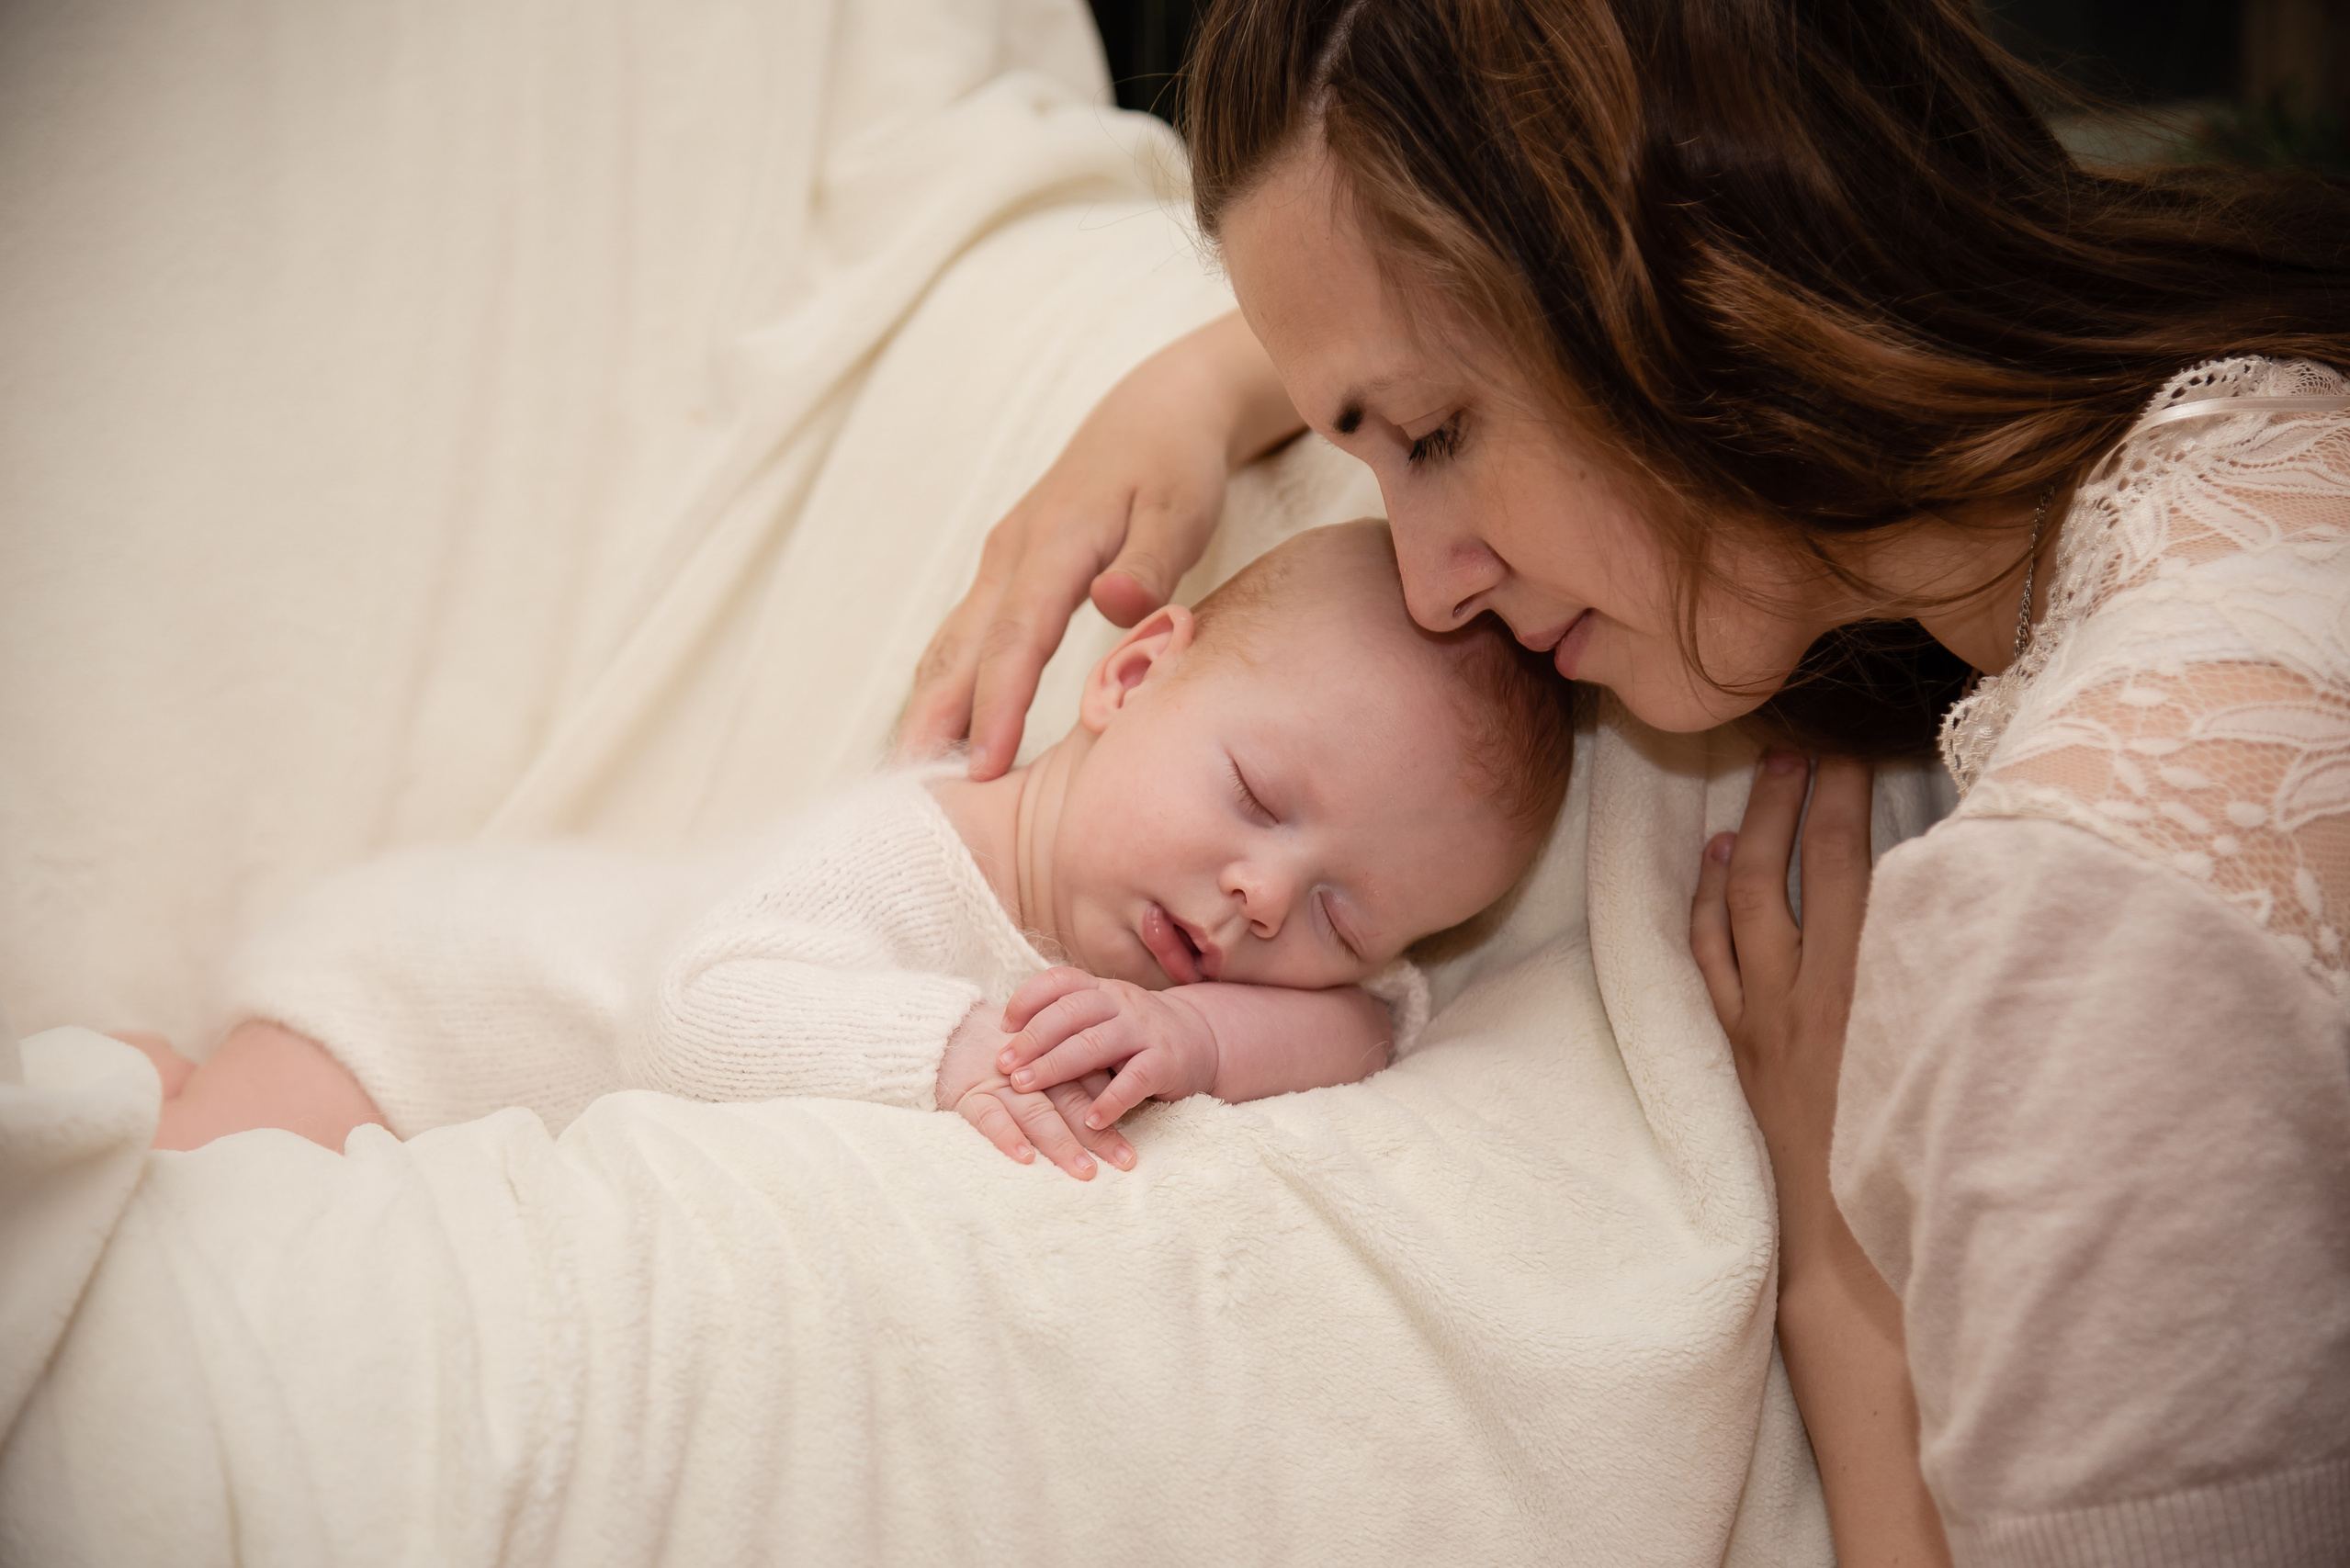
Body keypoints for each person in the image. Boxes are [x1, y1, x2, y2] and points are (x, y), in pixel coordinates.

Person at [898, 2, 2350, 1562]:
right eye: (1376, 454)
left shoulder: (2078, 916)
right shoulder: (2264, 426)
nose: (1434, 584)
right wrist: (1188, 396)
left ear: (1712, 273)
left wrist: (1828, 1252)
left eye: (1434, 435)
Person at [126, 522, 1576, 1181]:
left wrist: (1190, 1042)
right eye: (1257, 799)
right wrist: (960, 1053)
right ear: (1128, 680)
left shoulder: (1224, 970)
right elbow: (703, 1015)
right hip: (419, 1012)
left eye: (1343, 908)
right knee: (193, 1214)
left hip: (474, 1024)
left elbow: (1367, 1030)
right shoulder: (914, 845)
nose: (1265, 900)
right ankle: (148, 1092)